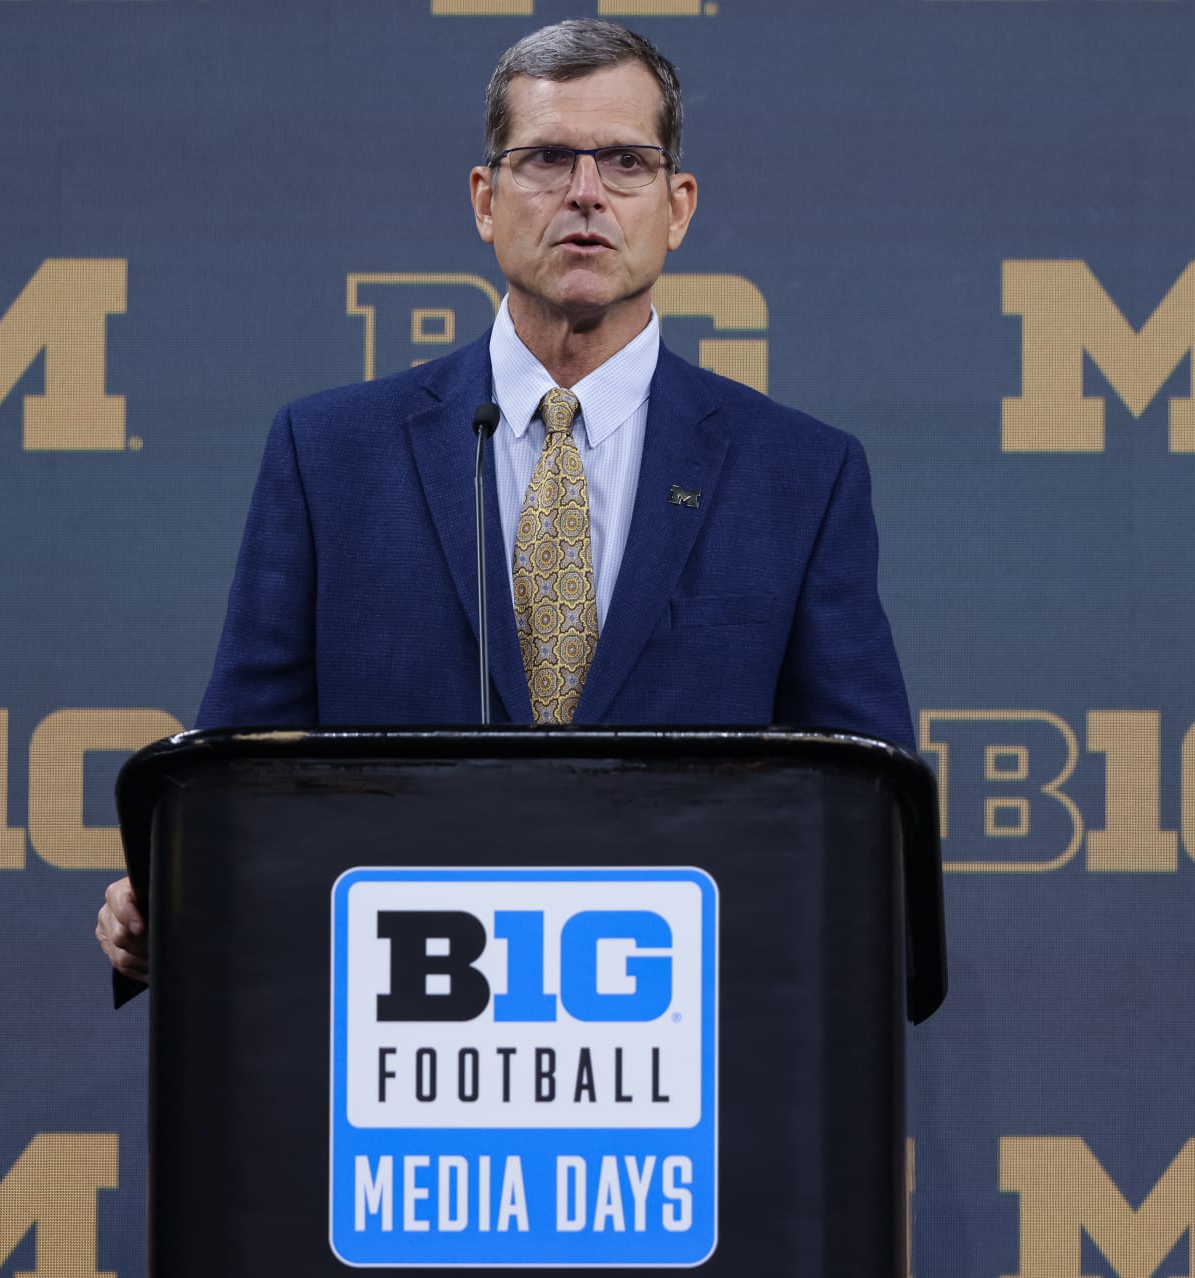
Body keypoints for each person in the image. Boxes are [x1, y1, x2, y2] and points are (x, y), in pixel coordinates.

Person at [97, 18, 909, 984]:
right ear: (485, 200)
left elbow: (867, 812)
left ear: (678, 206)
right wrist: (176, 898)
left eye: (626, 163)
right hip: (404, 1031)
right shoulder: (332, 455)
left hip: (688, 1039)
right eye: (547, 159)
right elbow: (243, 770)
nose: (585, 193)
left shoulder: (798, 476)